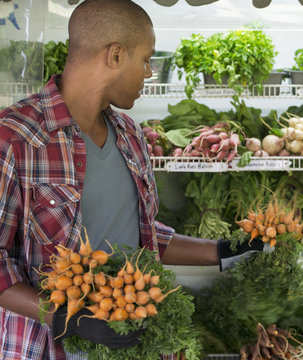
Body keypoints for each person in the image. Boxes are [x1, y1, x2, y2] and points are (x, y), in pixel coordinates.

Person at [0, 1, 262, 359]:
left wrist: (223, 251)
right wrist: (66, 317)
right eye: (146, 60)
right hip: (49, 349)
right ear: (116, 56)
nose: (150, 73)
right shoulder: (16, 137)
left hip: (138, 346)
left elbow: (143, 234)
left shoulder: (129, 135)